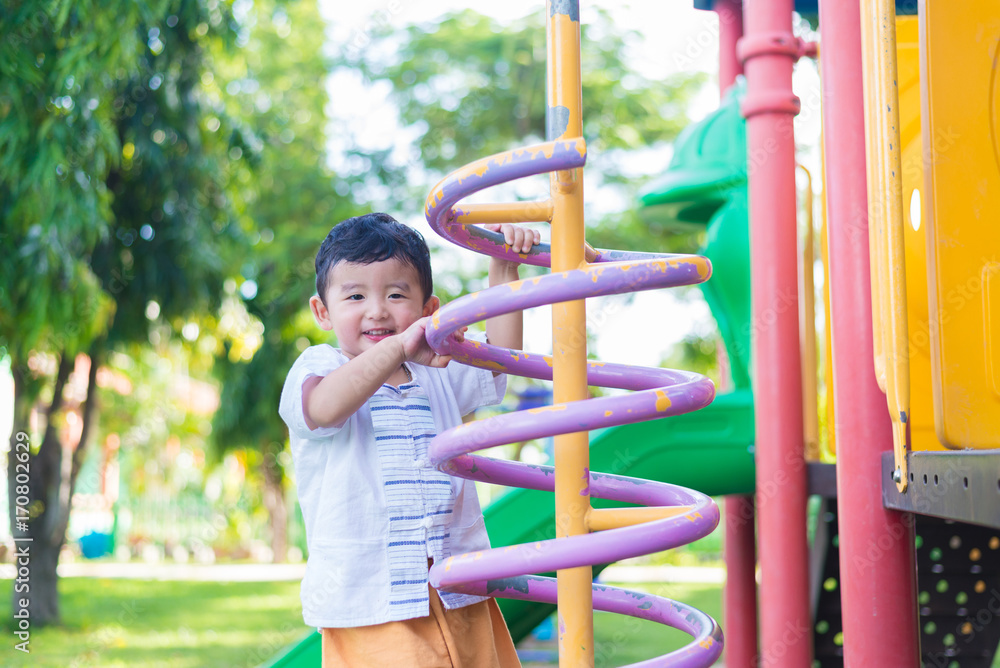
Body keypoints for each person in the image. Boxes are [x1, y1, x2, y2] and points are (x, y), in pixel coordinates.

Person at [279, 212, 539, 667]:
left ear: (427, 311)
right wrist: (398, 347)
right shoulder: (320, 366)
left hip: (458, 586)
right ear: (322, 311)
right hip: (373, 601)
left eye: (396, 294)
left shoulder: (436, 370)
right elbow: (322, 408)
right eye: (355, 295)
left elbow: (500, 359)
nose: (377, 310)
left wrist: (503, 266)